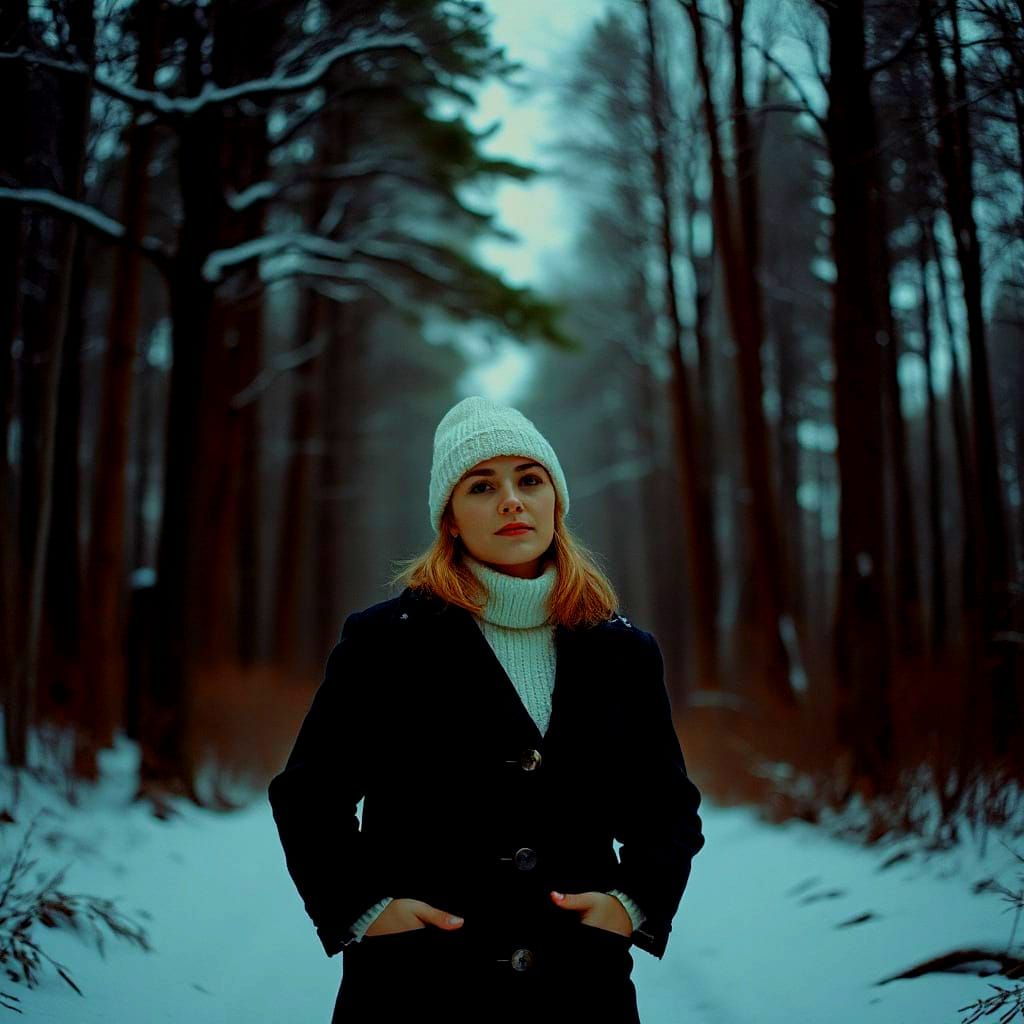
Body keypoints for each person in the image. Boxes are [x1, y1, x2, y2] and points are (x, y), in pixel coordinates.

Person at [268, 395, 706, 1024]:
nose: (511, 500)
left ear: (555, 499)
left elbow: (666, 811)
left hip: (581, 989)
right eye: (481, 486)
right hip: (417, 990)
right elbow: (309, 796)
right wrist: (363, 908)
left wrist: (632, 904)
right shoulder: (387, 641)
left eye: (530, 480)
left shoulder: (622, 651)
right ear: (449, 518)